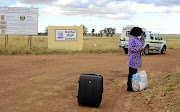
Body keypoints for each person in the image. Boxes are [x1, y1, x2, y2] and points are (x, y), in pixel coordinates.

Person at [127, 27, 145, 91]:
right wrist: (139, 49)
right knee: (131, 73)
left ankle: (134, 85)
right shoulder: (132, 39)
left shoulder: (136, 38)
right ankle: (129, 87)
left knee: (134, 73)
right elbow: (130, 48)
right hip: (133, 58)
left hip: (136, 58)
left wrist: (142, 37)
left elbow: (141, 44)